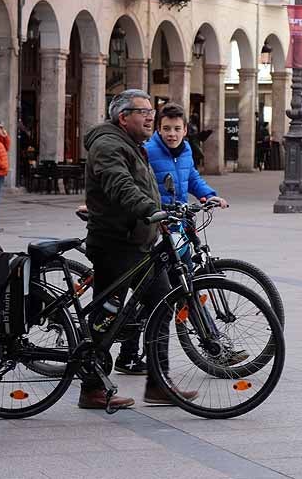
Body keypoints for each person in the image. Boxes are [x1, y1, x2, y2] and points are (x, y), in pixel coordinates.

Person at [80, 89, 196, 409]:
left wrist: (158, 215)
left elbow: (142, 186)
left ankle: (159, 384)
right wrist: (150, 210)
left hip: (138, 244)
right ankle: (92, 388)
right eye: (143, 111)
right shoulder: (107, 145)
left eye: (151, 111)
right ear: (123, 117)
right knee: (107, 317)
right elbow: (121, 186)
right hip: (115, 245)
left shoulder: (132, 145)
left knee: (162, 301)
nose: (151, 116)